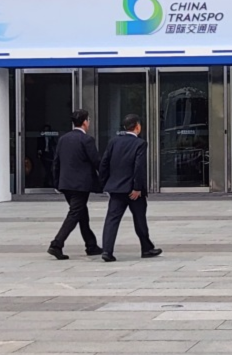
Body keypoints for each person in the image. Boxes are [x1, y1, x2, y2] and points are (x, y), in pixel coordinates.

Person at [99, 114, 162, 262]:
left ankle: (107, 250)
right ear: (138, 126)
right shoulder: (140, 143)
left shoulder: (114, 141)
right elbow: (139, 167)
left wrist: (106, 184)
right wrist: (137, 187)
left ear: (125, 127)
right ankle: (146, 248)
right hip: (133, 190)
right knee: (139, 219)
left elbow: (104, 164)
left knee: (112, 220)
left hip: (116, 188)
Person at [47, 109, 104, 260]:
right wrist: (106, 177)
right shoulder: (87, 140)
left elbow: (56, 162)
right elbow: (96, 161)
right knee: (75, 213)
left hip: (65, 184)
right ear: (85, 122)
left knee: (81, 214)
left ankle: (91, 245)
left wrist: (57, 182)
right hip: (80, 185)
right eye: (88, 120)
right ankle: (57, 244)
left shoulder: (63, 139)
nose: (89, 123)